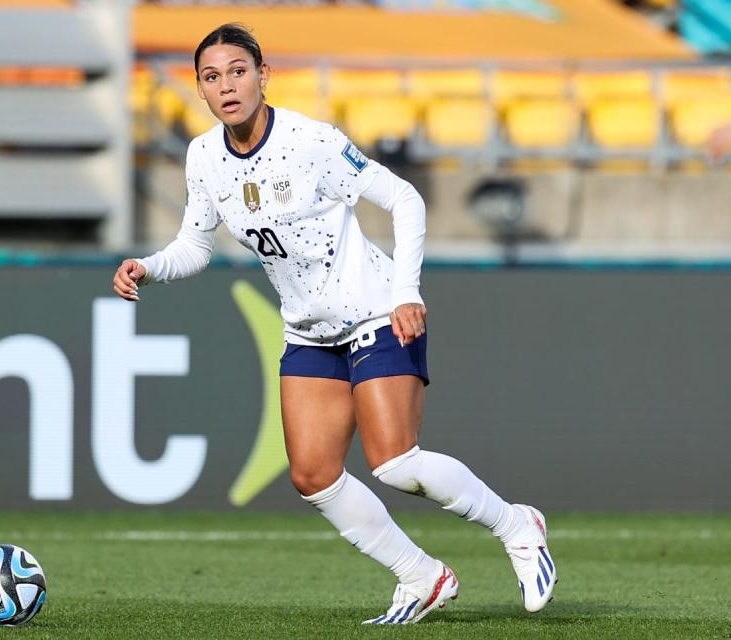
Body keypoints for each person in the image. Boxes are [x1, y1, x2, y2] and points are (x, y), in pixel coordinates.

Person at [112, 23, 556, 624]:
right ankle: (421, 576)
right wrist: (150, 266)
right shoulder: (203, 157)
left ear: (263, 76)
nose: (227, 86)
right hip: (308, 332)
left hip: (374, 312)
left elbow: (405, 199)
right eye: (212, 77)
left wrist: (406, 292)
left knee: (396, 463)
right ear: (199, 90)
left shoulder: (311, 141)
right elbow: (195, 243)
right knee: (313, 475)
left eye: (238, 71)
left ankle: (517, 525)